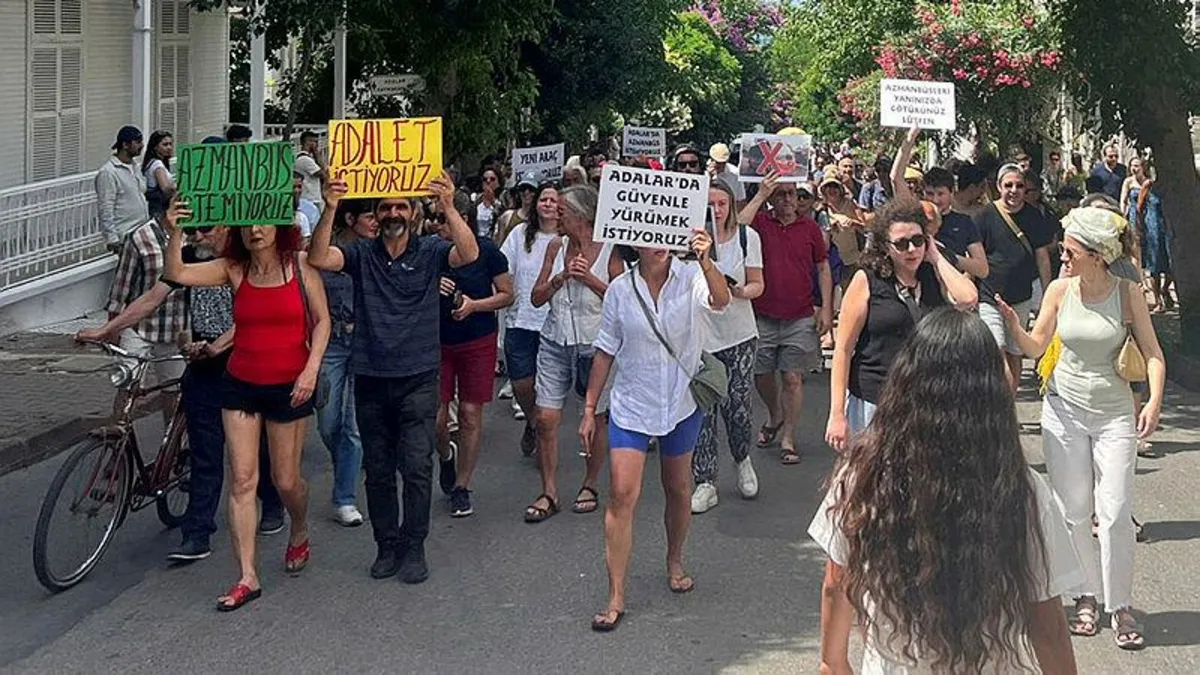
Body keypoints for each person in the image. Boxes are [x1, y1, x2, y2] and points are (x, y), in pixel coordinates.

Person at [811, 308, 1081, 674]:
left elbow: (836, 583)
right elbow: (1047, 626)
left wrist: (833, 663)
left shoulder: (863, 475)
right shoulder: (1022, 489)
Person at [997, 206, 1166, 652]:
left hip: (1114, 414)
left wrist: (1153, 400)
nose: (1063, 256)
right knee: (1073, 510)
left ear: (1096, 254)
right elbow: (1037, 346)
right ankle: (1085, 596)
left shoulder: (1127, 294)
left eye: (1070, 251)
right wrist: (1014, 326)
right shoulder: (1059, 290)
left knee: (1115, 511)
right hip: (1064, 412)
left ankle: (1120, 605)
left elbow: (1153, 353)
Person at [307, 174, 479, 585]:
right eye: (385, 207)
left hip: (418, 376)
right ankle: (386, 545)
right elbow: (319, 258)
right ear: (376, 215)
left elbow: (469, 254)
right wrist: (330, 207)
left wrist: (449, 205)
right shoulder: (361, 252)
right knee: (379, 470)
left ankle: (414, 546)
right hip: (370, 376)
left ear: (414, 213)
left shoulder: (432, 250)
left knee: (416, 467)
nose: (393, 213)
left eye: (401, 206)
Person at [163, 202, 330, 612]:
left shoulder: (300, 265)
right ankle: (247, 576)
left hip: (289, 386)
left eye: (264, 222)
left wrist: (311, 371)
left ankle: (299, 526)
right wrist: (175, 230)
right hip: (240, 385)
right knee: (241, 480)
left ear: (279, 225)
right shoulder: (233, 268)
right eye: (247, 223)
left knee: (286, 481)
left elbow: (322, 321)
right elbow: (177, 273)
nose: (256, 229)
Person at [580, 229, 730, 632]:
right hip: (633, 403)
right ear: (634, 241)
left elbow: (721, 300)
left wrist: (706, 260)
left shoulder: (692, 276)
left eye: (667, 234)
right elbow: (605, 351)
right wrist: (590, 409)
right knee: (621, 494)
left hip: (680, 403)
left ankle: (674, 559)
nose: (660, 242)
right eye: (651, 236)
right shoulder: (619, 290)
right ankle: (615, 594)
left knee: (678, 487)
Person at [78, 224, 248, 563]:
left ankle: (273, 502)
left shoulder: (246, 263)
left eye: (205, 229)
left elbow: (252, 315)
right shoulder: (189, 259)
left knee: (255, 456)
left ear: (226, 226)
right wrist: (108, 329)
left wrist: (218, 346)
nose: (198, 236)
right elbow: (152, 298)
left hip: (241, 367)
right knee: (205, 452)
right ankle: (197, 534)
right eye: (193, 230)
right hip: (202, 366)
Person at [825, 199, 978, 450]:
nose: (911, 250)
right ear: (886, 246)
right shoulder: (868, 280)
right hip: (876, 400)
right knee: (873, 473)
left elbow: (968, 298)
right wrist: (837, 414)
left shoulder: (933, 275)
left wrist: (936, 256)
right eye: (901, 244)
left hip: (926, 401)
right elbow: (842, 349)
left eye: (918, 240)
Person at [523, 185, 623, 522]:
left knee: (595, 417)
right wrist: (560, 278)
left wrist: (589, 279)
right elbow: (536, 297)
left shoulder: (610, 248)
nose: (555, 214)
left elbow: (623, 301)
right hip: (555, 340)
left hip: (596, 346)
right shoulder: (556, 246)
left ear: (582, 215)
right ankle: (549, 491)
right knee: (545, 417)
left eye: (562, 210)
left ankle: (590, 483)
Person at [738, 174, 833, 464]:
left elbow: (823, 267)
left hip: (800, 315)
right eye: (781, 194)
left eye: (793, 194)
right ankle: (775, 414)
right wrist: (759, 195)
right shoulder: (760, 223)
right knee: (761, 373)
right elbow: (736, 229)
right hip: (762, 314)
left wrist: (826, 308)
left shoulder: (810, 228)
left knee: (792, 378)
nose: (789, 199)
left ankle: (789, 437)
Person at [433, 191, 514, 518]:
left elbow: (507, 295)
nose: (436, 225)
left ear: (461, 219)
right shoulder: (431, 251)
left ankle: (462, 486)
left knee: (469, 413)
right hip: (437, 342)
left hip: (477, 339)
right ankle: (445, 456)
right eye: (434, 219)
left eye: (442, 219)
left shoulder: (488, 252)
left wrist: (474, 306)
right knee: (436, 419)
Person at [691, 181, 763, 514]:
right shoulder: (688, 241)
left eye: (722, 204)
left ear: (731, 206)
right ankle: (705, 481)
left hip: (738, 335)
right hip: (699, 338)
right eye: (710, 204)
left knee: (737, 406)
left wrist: (741, 291)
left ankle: (742, 458)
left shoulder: (747, 237)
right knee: (702, 410)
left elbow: (757, 284)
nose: (716, 210)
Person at [316, 199, 376, 528]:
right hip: (331, 342)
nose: (376, 221)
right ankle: (347, 463)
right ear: (351, 218)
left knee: (354, 427)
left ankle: (344, 499)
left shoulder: (379, 249)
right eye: (369, 215)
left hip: (365, 342)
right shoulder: (326, 248)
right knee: (328, 423)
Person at [973, 164, 1056, 390]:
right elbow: (975, 257)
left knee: (1015, 352)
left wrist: (1048, 294)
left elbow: (1042, 257)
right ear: (999, 187)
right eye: (1008, 185)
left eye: (1019, 186)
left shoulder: (1034, 216)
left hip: (1021, 297)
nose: (1014, 190)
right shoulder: (984, 216)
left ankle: (1009, 402)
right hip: (990, 297)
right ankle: (1000, 399)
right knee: (996, 351)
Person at [500, 183, 560, 449]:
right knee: (521, 383)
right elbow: (505, 268)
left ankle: (544, 436)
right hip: (521, 319)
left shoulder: (568, 239)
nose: (547, 204)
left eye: (553, 200)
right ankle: (533, 421)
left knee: (546, 387)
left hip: (553, 323)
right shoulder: (520, 234)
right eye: (543, 199)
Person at [892, 128, 988, 278]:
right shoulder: (915, 216)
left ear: (951, 192)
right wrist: (910, 138)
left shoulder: (964, 222)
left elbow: (982, 269)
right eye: (930, 194)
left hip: (949, 288)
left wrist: (946, 256)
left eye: (941, 194)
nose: (935, 200)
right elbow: (896, 178)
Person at [96, 126, 149, 253]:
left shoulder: (135, 167)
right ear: (125, 145)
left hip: (142, 232)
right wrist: (112, 239)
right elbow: (106, 207)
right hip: (125, 236)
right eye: (138, 142)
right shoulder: (109, 172)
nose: (142, 145)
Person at [1132, 174, 1173, 312]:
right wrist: (1139, 228)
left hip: (1169, 228)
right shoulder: (1149, 185)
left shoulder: (1172, 186)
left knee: (1172, 265)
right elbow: (1139, 208)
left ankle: (1165, 289)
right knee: (1155, 266)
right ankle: (1158, 300)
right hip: (1153, 228)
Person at [820, 175, 868, 292]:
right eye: (828, 187)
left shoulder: (850, 204)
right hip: (832, 260)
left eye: (835, 186)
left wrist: (853, 223)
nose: (832, 190)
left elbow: (865, 228)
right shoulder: (822, 209)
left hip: (852, 258)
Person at [494, 173, 538, 246]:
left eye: (531, 189)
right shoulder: (507, 216)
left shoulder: (541, 219)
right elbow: (499, 244)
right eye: (523, 188)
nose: (526, 192)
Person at [142, 131, 176, 221]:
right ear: (155, 147)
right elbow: (166, 189)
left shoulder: (151, 163)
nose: (169, 147)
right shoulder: (157, 165)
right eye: (165, 144)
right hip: (159, 210)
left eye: (170, 144)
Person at [294, 131, 326, 210]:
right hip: (310, 199)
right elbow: (324, 174)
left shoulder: (305, 158)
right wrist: (316, 154)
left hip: (309, 198)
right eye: (315, 142)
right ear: (308, 142)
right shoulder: (305, 159)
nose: (317, 145)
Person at [474, 167, 502, 239]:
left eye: (492, 179)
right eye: (485, 179)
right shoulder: (474, 200)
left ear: (498, 182)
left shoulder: (504, 199)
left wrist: (493, 202)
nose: (488, 181)